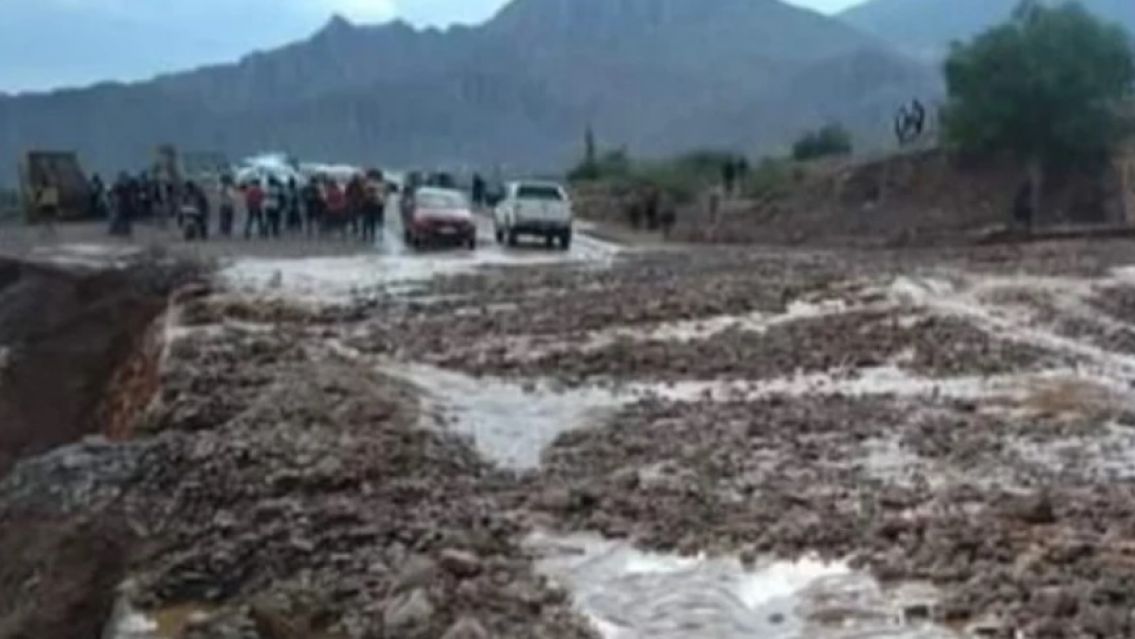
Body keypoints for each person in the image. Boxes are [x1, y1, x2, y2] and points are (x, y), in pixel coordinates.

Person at [361, 170, 387, 243]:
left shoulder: (379, 185)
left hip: (376, 205)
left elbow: (384, 195)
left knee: (371, 222)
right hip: (372, 206)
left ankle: (371, 235)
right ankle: (369, 236)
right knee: (369, 222)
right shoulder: (367, 184)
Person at [346, 174, 367, 240]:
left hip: (357, 202)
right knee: (353, 215)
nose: (355, 180)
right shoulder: (351, 185)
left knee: (356, 216)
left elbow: (363, 195)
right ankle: (355, 227)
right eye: (355, 179)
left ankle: (356, 227)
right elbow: (346, 193)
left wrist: (361, 201)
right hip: (352, 202)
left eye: (356, 179)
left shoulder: (359, 186)